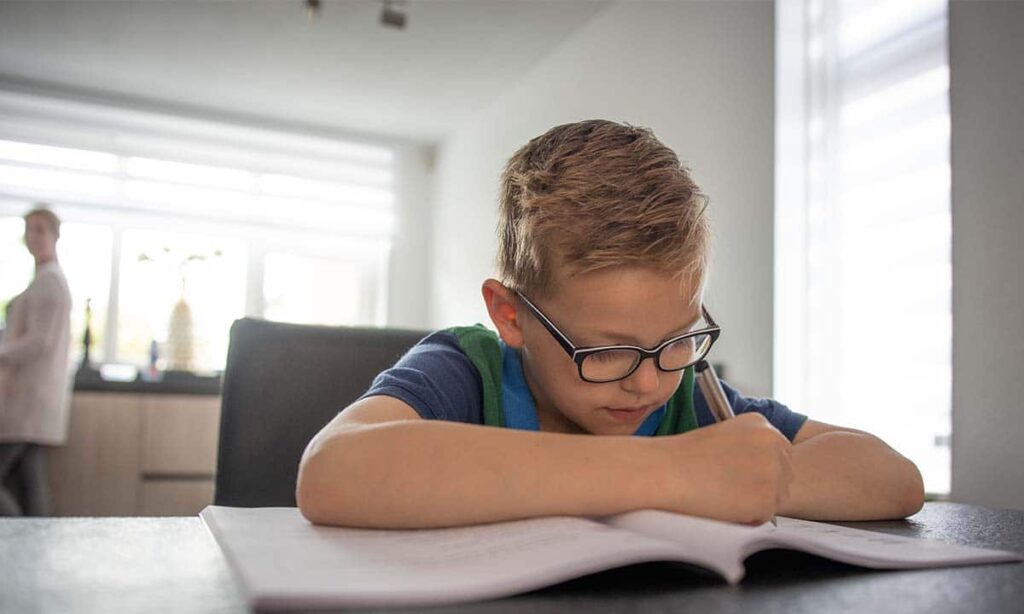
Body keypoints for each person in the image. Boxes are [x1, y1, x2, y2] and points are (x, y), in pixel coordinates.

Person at [296, 120, 925, 529]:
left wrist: (763, 480)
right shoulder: (465, 372)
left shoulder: (691, 404)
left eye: (678, 340)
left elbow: (895, 478)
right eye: (605, 352)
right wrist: (676, 474)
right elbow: (331, 471)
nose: (648, 385)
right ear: (510, 315)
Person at [0, 206, 73, 516]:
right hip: (32, 399)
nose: (34, 236)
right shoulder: (44, 278)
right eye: (29, 230)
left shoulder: (50, 281)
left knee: (24, 479)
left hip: (30, 397)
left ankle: (19, 541)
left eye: (41, 230)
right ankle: (32, 545)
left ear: (55, 236)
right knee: (29, 479)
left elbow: (39, 341)